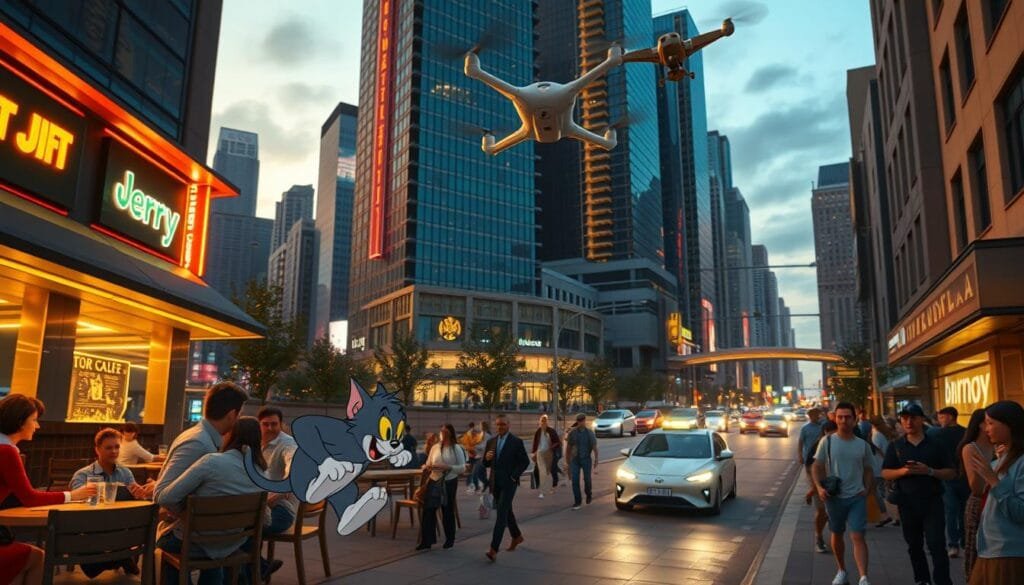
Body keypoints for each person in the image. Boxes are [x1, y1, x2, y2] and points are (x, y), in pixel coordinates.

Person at [152, 382, 249, 584]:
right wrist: (192, 516)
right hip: (190, 531)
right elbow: (161, 493)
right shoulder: (197, 443)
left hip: (203, 533)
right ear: (232, 414)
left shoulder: (208, 440)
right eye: (239, 414)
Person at [156, 416, 268, 585]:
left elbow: (165, 497)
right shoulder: (261, 473)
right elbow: (267, 520)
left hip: (196, 542)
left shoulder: (211, 461)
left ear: (230, 435)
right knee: (215, 549)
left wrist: (184, 515)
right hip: (231, 542)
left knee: (164, 540)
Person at [1, 395, 96, 585]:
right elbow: (29, 498)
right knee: (39, 559)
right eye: (34, 420)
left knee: (21, 569)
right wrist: (73, 495)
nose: (37, 426)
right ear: (20, 422)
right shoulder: (6, 451)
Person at [882, 403, 957, 585]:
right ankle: (922, 580)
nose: (908, 422)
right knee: (914, 546)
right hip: (907, 503)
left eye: (913, 417)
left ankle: (942, 581)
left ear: (922, 419)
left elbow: (951, 472)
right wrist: (903, 472)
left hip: (933, 502)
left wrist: (929, 471)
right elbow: (885, 472)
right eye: (905, 418)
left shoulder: (936, 444)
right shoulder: (896, 446)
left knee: (936, 545)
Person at [69, 428, 148, 577]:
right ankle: (121, 557)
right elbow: (75, 501)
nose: (114, 451)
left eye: (117, 447)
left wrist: (139, 494)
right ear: (97, 450)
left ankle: (118, 558)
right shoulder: (82, 475)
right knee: (90, 569)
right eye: (108, 447)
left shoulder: (126, 473)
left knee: (91, 569)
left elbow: (135, 502)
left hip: (120, 528)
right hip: (92, 528)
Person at [812, 402, 875, 585]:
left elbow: (869, 468)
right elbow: (816, 465)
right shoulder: (828, 441)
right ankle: (842, 570)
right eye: (840, 417)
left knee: (857, 535)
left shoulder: (862, 445)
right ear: (835, 418)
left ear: (855, 420)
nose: (843, 421)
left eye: (847, 417)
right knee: (837, 533)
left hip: (857, 497)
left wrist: (867, 488)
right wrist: (819, 487)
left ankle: (863, 577)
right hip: (834, 498)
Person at [963, 400, 1024, 584]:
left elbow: (1020, 512)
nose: (986, 429)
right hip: (989, 549)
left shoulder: (1020, 462)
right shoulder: (1000, 458)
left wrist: (994, 481)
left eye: (991, 423)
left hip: (1009, 552)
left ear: (1008, 424)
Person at [482, 414, 530, 562]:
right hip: (495, 483)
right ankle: (517, 536)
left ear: (509, 425)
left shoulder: (516, 442)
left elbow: (524, 462)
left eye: (502, 424)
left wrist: (514, 476)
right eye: (497, 424)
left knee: (501, 515)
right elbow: (485, 464)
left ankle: (493, 549)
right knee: (507, 511)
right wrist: (487, 459)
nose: (500, 427)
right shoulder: (491, 441)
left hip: (509, 483)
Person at [256, 407, 294, 578]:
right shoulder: (252, 442)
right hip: (258, 506)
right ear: (259, 425)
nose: (270, 428)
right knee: (240, 523)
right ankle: (257, 568)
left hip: (281, 509)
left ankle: (253, 569)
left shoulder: (288, 444)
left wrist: (278, 493)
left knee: (245, 526)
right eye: (266, 424)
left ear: (281, 424)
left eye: (274, 424)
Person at [928, 405, 970, 559]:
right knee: (961, 511)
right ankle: (964, 542)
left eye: (942, 417)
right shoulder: (965, 432)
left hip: (950, 476)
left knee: (952, 511)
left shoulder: (938, 434)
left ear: (951, 417)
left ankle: (954, 544)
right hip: (963, 476)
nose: (940, 420)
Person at [958, 408, 993, 581]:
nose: (991, 428)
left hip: (998, 502)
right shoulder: (971, 449)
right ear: (980, 425)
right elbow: (976, 487)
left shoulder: (1001, 446)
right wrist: (990, 476)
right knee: (976, 549)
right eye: (990, 422)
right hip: (980, 503)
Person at [418, 424, 466, 550]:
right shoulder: (435, 447)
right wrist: (427, 466)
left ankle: (450, 539)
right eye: (442, 432)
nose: (443, 435)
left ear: (451, 434)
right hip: (434, 479)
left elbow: (462, 468)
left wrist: (449, 467)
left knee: (447, 509)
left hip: (449, 481)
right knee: (428, 510)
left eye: (446, 432)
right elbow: (428, 463)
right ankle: (426, 541)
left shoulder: (456, 448)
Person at [798, 407, 829, 553]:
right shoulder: (806, 430)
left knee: (830, 512)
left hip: (832, 479)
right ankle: (819, 537)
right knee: (822, 509)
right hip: (813, 468)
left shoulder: (824, 425)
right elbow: (800, 443)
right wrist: (800, 456)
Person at [869, 415, 899, 528]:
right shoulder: (884, 433)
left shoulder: (876, 435)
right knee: (887, 490)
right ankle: (896, 516)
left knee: (876, 491)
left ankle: (885, 515)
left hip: (878, 466)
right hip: (884, 465)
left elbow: (877, 450)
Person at [564, 413, 599, 511]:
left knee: (587, 479)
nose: (580, 423)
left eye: (581, 421)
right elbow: (568, 448)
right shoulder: (573, 433)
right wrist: (567, 462)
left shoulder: (589, 433)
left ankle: (588, 493)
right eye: (578, 421)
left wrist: (596, 459)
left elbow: (594, 447)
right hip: (575, 459)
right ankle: (577, 501)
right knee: (575, 480)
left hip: (586, 459)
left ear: (584, 421)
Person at [531, 414, 560, 499]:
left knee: (553, 469)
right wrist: (534, 453)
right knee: (538, 470)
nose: (543, 423)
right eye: (542, 421)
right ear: (540, 422)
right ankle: (540, 487)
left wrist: (552, 447)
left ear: (547, 422)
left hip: (550, 453)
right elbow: (535, 443)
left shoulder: (551, 431)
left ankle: (554, 484)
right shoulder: (538, 431)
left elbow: (557, 442)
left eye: (545, 421)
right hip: (540, 453)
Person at [460, 422, 484, 493]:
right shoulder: (468, 434)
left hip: (476, 457)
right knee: (471, 473)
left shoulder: (476, 434)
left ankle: (475, 486)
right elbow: (465, 445)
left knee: (473, 473)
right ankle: (472, 486)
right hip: (472, 456)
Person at [470, 421, 493, 492]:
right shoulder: (480, 435)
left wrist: (475, 446)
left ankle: (486, 484)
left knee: (475, 473)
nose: (479, 427)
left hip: (482, 457)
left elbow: (485, 447)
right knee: (480, 474)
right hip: (478, 457)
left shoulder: (487, 436)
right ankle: (486, 484)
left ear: (483, 427)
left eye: (480, 426)